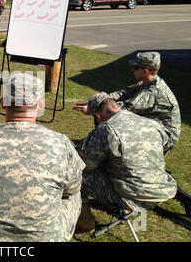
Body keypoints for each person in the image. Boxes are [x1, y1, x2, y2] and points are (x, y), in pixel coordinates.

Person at [0, 72, 85, 241]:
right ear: (40, 106)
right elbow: (72, 188)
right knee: (75, 194)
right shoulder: (61, 144)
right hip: (47, 238)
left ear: (3, 103)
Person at [75, 92, 177, 231]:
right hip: (162, 190)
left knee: (76, 175)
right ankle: (111, 203)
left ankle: (85, 222)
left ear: (98, 116)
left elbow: (85, 164)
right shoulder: (151, 123)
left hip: (132, 196)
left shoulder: (106, 129)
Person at [74, 51, 181, 151]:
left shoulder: (153, 93)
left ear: (145, 70)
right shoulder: (148, 82)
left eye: (136, 67)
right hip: (152, 125)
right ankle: (90, 144)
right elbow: (123, 93)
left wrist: (94, 108)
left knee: (116, 122)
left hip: (165, 135)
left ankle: (90, 147)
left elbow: (120, 109)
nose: (133, 70)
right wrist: (100, 101)